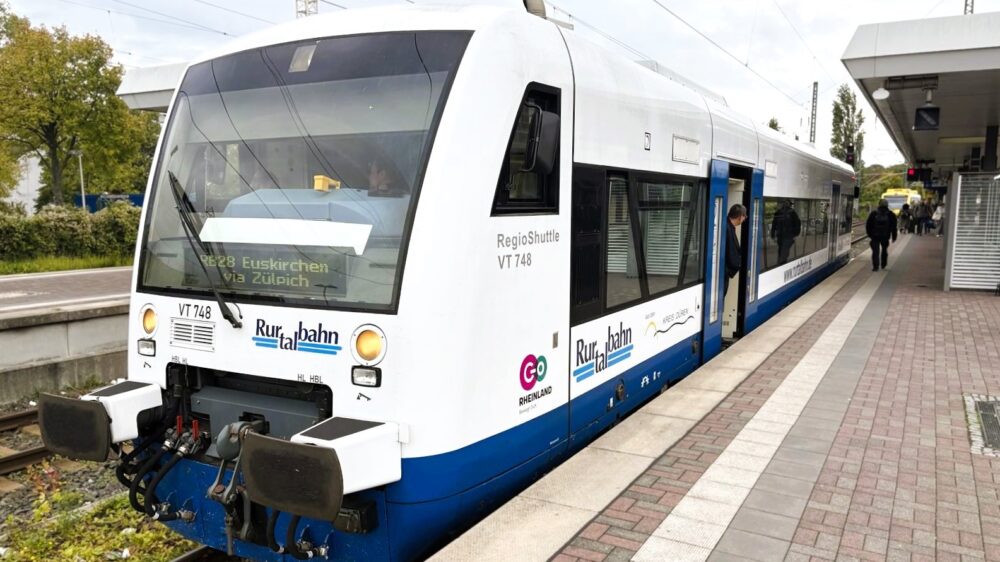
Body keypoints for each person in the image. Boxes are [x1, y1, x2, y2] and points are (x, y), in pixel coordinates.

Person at [866, 199, 897, 271]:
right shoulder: (891, 214)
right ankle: (883, 264)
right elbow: (894, 227)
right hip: (885, 236)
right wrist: (894, 237)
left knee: (875, 252)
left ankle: (875, 266)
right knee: (884, 250)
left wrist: (870, 234)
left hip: (875, 236)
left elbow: (868, 225)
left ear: (879, 205)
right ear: (887, 205)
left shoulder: (873, 213)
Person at [724, 204, 746, 296]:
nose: (745, 219)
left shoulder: (727, 226)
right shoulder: (727, 228)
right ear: (740, 217)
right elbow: (730, 252)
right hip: (723, 273)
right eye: (745, 216)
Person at [770, 200, 801, 266]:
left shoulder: (779, 212)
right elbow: (797, 223)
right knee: (784, 249)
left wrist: (773, 234)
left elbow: (774, 224)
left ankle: (781, 262)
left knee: (782, 249)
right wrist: (796, 234)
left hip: (782, 235)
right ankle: (782, 263)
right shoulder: (792, 213)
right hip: (787, 235)